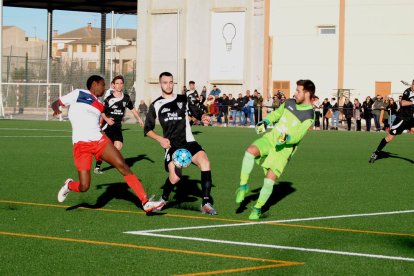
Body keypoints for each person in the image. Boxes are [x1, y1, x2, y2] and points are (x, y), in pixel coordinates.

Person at [51, 75, 163, 213]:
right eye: (103, 85)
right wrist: (56, 108)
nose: (105, 88)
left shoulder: (100, 105)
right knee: (84, 186)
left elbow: (98, 125)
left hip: (99, 141)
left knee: (122, 165)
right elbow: (56, 102)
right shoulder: (79, 93)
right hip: (81, 146)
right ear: (94, 84)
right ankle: (69, 185)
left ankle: (145, 202)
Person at [236, 79, 315, 219]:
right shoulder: (289, 102)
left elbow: (298, 136)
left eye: (298, 91)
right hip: (271, 138)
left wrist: (284, 139)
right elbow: (276, 114)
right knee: (250, 151)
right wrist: (266, 121)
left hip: (284, 150)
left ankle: (257, 208)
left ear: (307, 93)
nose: (295, 93)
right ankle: (243, 187)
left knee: (269, 179)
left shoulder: (309, 115)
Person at [144, 72, 217, 215]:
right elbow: (147, 129)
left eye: (171, 82)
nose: (168, 85)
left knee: (205, 163)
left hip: (189, 142)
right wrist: (160, 139)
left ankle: (206, 203)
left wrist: (203, 116)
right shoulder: (156, 105)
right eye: (165, 82)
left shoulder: (183, 99)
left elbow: (196, 112)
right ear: (160, 84)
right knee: (176, 177)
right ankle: (162, 201)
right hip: (172, 146)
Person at [94, 75, 144, 174]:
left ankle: (111, 159)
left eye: (121, 83)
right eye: (117, 83)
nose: (119, 85)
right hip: (108, 126)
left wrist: (139, 119)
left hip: (117, 126)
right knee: (105, 148)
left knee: (119, 146)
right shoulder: (109, 99)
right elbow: (102, 111)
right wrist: (107, 119)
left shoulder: (126, 98)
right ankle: (97, 167)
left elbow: (132, 109)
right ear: (113, 85)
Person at [369, 79, 414, 163]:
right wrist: (412, 102)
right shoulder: (407, 92)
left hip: (410, 118)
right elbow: (402, 103)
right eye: (413, 85)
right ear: (412, 84)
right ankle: (376, 152)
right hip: (402, 119)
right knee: (390, 137)